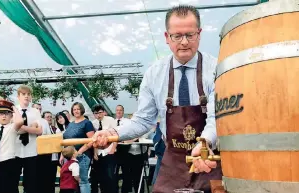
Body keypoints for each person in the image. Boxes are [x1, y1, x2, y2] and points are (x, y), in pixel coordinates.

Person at [92, 5, 222, 193]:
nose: (184, 42)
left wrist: (205, 143)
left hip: (207, 158)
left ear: (199, 34)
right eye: (177, 36)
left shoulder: (217, 69)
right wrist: (112, 133)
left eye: (190, 35)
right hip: (171, 161)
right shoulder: (154, 74)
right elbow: (143, 120)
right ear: (167, 37)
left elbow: (216, 118)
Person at [14, 85, 43, 193]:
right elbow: (13, 130)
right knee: (13, 181)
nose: (26, 96)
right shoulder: (13, 110)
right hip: (15, 151)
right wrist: (31, 127)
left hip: (31, 151)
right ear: (18, 96)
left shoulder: (35, 111)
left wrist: (20, 127)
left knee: (31, 182)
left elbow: (39, 131)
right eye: (23, 94)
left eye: (28, 94)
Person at [62, 102, 95, 193]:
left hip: (82, 156)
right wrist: (62, 154)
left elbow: (92, 140)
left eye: (78, 109)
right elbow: (65, 140)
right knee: (72, 181)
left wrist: (79, 152)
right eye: (74, 109)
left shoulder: (87, 123)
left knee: (83, 181)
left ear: (82, 110)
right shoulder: (70, 124)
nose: (76, 111)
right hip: (69, 157)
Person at [91, 104, 117, 193]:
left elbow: (116, 135)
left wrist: (113, 149)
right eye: (96, 113)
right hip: (98, 152)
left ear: (104, 112)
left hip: (109, 151)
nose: (98, 115)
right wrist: (95, 153)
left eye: (100, 112)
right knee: (101, 176)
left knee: (110, 176)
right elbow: (94, 139)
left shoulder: (110, 120)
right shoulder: (93, 123)